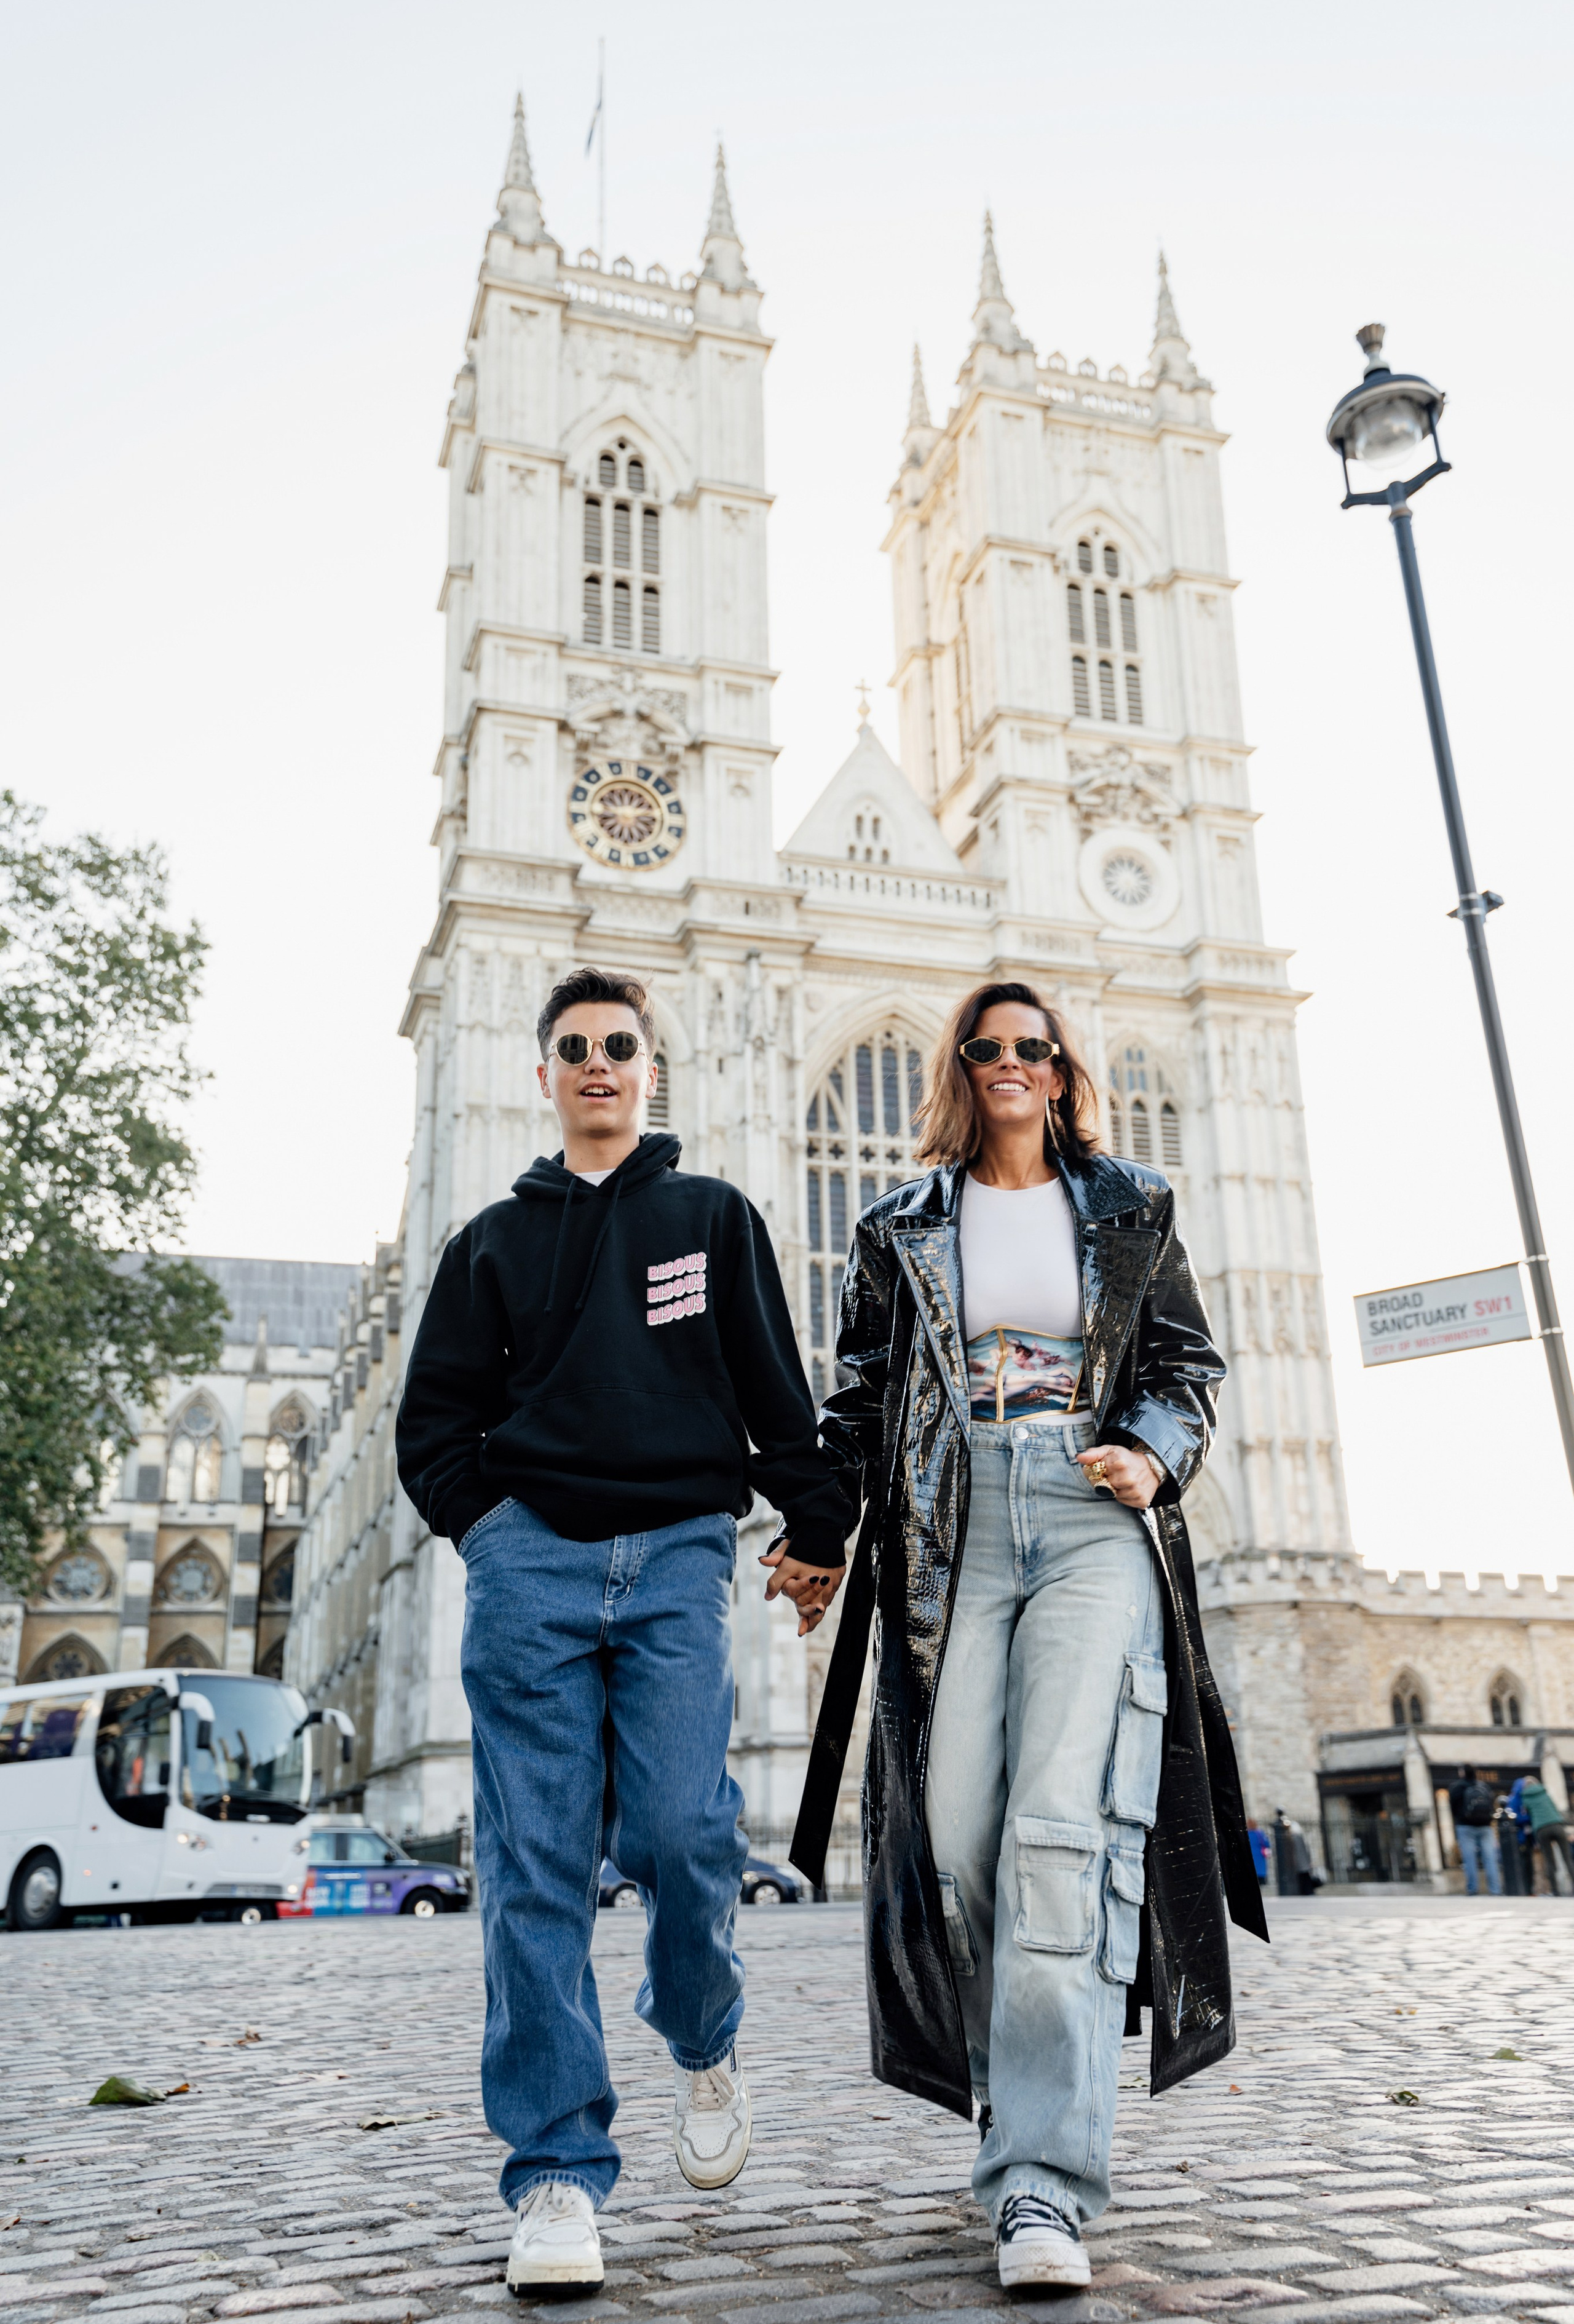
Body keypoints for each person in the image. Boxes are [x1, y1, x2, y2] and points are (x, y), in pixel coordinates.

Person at [792, 981, 1266, 2294]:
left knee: (1059, 1828)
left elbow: (1187, 1370)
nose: (1009, 1064)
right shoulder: (896, 1224)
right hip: (955, 1530)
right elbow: (861, 1396)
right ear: (962, 1068)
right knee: (957, 1838)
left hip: (1089, 1514)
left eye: (1032, 1048)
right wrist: (818, 1537)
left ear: (1061, 1071)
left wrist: (1150, 1451)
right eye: (985, 1048)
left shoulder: (1128, 1203)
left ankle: (1043, 2183)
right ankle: (1015, 2104)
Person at [396, 967, 853, 2293]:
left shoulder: (710, 1217)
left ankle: (700, 2030)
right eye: (574, 1048)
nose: (597, 1064)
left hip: (673, 1560)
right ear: (540, 1074)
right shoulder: (490, 1237)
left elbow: (777, 1390)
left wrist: (816, 1526)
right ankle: (551, 2175)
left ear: (651, 1071)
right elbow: (432, 1426)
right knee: (532, 1871)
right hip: (527, 1563)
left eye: (619, 1047)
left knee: (681, 1837)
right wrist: (489, 1529)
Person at [1509, 1768, 1573, 1897]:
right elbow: (1555, 1810)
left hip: (1541, 1829)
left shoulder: (1525, 1797)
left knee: (1550, 1860)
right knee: (1567, 1859)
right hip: (1557, 1825)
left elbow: (1526, 1815)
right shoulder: (1545, 1793)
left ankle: (1555, 1891)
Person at [1447, 1765, 1503, 1896]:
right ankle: (1495, 1890)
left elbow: (1453, 1808)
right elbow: (1491, 1804)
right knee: (1490, 1858)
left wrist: (1459, 1820)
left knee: (1469, 1859)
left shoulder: (1457, 1788)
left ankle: (1473, 1889)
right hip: (1485, 1826)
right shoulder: (1483, 1786)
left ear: (1462, 1773)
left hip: (1465, 1826)